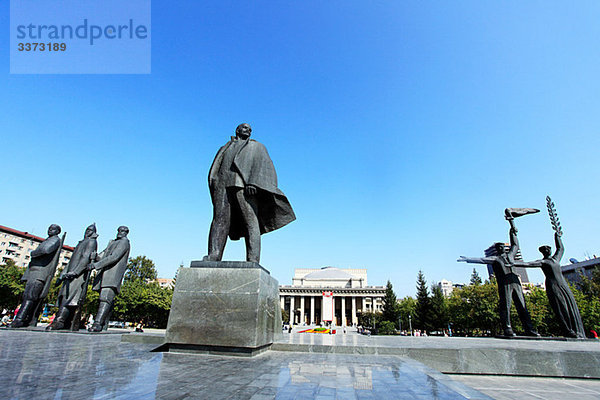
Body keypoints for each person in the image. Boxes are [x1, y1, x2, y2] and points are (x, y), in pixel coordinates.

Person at [203, 123, 295, 263]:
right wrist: (215, 183)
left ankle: (253, 258)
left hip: (242, 186)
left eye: (250, 129)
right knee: (219, 220)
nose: (249, 130)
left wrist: (253, 182)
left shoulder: (256, 147)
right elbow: (215, 168)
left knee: (251, 221)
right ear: (237, 130)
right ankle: (214, 254)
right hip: (222, 186)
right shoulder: (225, 148)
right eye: (245, 127)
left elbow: (263, 165)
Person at [458, 223, 539, 337]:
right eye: (499, 247)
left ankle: (529, 329)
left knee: (522, 305)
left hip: (515, 282)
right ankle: (507, 328)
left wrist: (512, 232)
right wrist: (468, 259)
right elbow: (481, 259)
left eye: (503, 246)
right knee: (506, 305)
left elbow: (515, 245)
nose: (502, 248)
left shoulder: (511, 255)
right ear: (497, 249)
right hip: (505, 283)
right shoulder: (495, 258)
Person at [512, 231, 585, 338]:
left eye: (548, 248)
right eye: (545, 249)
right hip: (553, 285)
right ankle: (567, 329)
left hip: (563, 285)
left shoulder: (556, 259)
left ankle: (576, 329)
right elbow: (528, 263)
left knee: (570, 306)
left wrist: (557, 237)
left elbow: (561, 249)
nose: (547, 250)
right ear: (542, 252)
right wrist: (513, 263)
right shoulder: (543, 262)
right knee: (560, 307)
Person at [48, 224, 98, 331]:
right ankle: (67, 322)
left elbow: (85, 258)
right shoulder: (82, 242)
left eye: (90, 230)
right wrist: (62, 274)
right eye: (87, 229)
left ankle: (59, 320)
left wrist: (75, 272)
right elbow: (71, 261)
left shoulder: (91, 242)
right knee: (65, 297)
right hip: (70, 274)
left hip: (78, 275)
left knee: (69, 298)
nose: (87, 231)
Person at [11, 224, 62, 328]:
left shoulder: (55, 240)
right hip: (35, 271)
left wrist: (33, 253)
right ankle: (28, 320)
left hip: (40, 272)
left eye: (52, 229)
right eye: (49, 228)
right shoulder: (47, 240)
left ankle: (20, 319)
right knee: (30, 296)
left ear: (57, 231)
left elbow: (45, 250)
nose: (49, 230)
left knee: (31, 296)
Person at [88, 226, 131, 332]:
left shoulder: (124, 243)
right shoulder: (113, 242)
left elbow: (114, 257)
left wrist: (96, 265)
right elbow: (104, 255)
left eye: (123, 231)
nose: (120, 232)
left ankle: (98, 323)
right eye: (119, 230)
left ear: (126, 233)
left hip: (112, 274)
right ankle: (103, 323)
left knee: (105, 298)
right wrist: (96, 256)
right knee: (106, 300)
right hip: (105, 273)